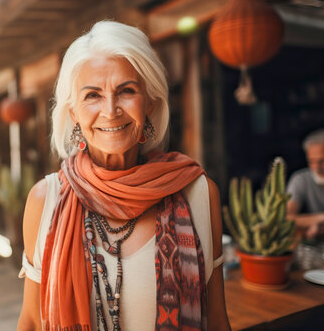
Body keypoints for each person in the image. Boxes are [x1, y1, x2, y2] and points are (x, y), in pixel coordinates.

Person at [17, 21, 230, 331]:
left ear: (150, 102)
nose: (111, 110)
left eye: (126, 91)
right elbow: (32, 321)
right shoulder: (45, 199)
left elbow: (218, 320)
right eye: (92, 95)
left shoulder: (198, 194)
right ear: (74, 112)